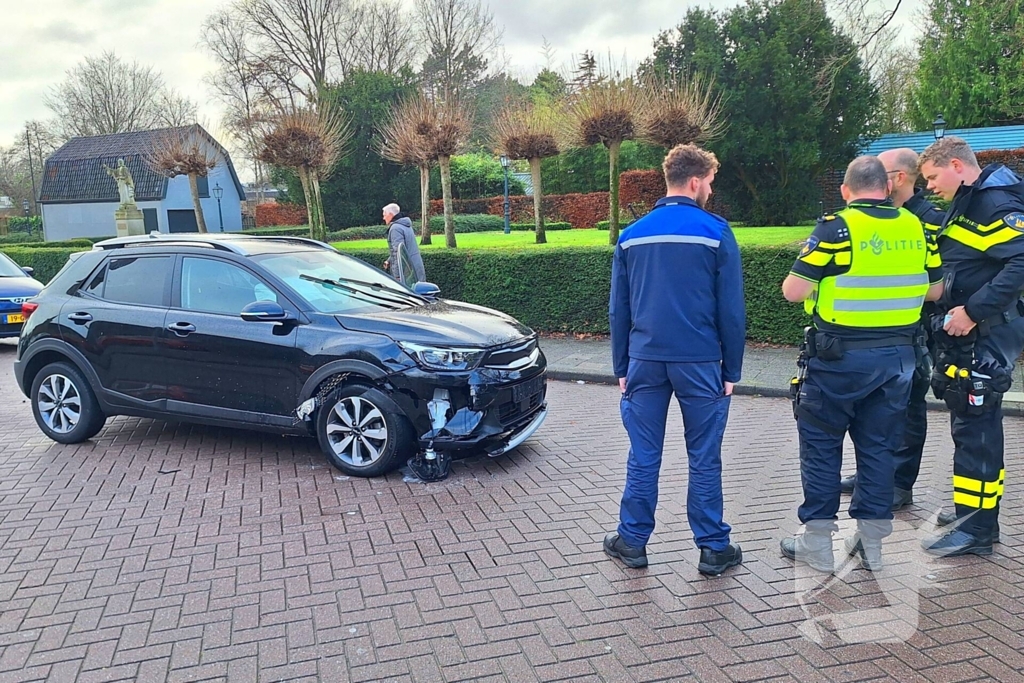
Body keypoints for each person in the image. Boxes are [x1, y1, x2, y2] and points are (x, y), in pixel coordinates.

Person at [780, 156, 943, 572]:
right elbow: (936, 291)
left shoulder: (836, 229)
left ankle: (818, 542)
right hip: (898, 359)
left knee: (821, 447)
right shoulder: (916, 227)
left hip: (838, 358)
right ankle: (870, 545)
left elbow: (793, 291)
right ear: (887, 188)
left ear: (845, 190)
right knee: (879, 448)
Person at [603, 143, 745, 576]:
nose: (710, 192)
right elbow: (731, 309)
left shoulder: (632, 235)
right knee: (704, 455)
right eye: (710, 184)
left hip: (644, 360)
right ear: (696, 181)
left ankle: (632, 542)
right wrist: (731, 369)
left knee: (644, 454)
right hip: (700, 362)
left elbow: (618, 309)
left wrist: (621, 366)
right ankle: (713, 548)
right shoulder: (716, 232)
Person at [917, 136, 1024, 556]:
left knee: (976, 429)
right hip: (977, 334)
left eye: (932, 177)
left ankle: (977, 529)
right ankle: (976, 514)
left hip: (985, 334)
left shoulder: (991, 204)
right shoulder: (973, 201)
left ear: (957, 166)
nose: (929, 187)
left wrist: (974, 311)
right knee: (973, 425)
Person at [838, 148, 945, 510]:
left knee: (909, 408)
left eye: (879, 170)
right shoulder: (876, 217)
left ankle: (900, 481)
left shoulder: (929, 221)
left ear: (897, 178)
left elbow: (939, 279)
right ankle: (872, 474)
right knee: (871, 410)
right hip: (876, 334)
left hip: (914, 331)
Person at [381, 203, 426, 283]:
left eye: (384, 215)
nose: (383, 218)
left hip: (407, 272)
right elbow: (403, 248)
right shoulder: (405, 225)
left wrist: (397, 275)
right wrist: (389, 260)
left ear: (390, 214)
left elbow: (398, 252)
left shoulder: (395, 228)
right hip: (415, 266)